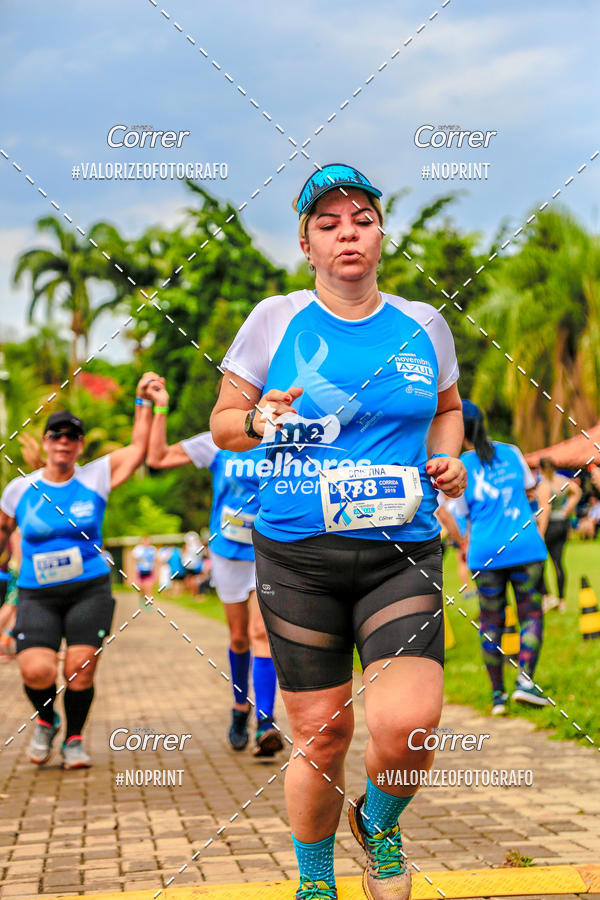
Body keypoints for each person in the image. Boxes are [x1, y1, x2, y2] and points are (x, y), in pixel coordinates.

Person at [210, 163, 466, 900]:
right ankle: (316, 881)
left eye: (361, 220)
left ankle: (379, 825)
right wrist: (258, 417)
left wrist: (447, 458)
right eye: (328, 224)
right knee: (323, 736)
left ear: (381, 235)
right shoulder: (275, 319)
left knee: (409, 725)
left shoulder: (424, 324)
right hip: (298, 556)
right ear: (307, 245)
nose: (346, 233)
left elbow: (448, 409)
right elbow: (223, 425)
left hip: (400, 551)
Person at [0, 372, 161, 769]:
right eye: (57, 435)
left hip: (89, 589)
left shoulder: (95, 477)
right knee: (36, 670)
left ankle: (74, 738)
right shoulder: (19, 489)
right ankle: (47, 720)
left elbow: (138, 448)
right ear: (46, 441)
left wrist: (144, 401)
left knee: (79, 670)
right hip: (37, 593)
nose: (64, 442)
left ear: (80, 445)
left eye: (72, 436)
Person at [146, 385, 283, 758]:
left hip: (269, 549)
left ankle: (266, 722)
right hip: (227, 552)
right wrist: (160, 408)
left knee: (261, 633)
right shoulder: (219, 439)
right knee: (239, 638)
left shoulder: (285, 436)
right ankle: (240, 708)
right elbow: (157, 457)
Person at [446, 401, 549, 717]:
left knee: (491, 623)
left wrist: (461, 543)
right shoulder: (512, 452)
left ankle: (498, 696)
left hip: (486, 554)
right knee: (531, 614)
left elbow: (459, 513)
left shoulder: (461, 466)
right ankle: (525, 682)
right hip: (526, 546)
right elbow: (531, 490)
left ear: (459, 429)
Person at [536, 458, 581, 612]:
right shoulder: (562, 480)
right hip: (562, 523)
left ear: (541, 469)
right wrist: (566, 509)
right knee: (558, 563)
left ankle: (548, 597)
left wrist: (541, 533)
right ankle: (561, 601)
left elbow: (545, 509)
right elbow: (577, 491)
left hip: (550, 526)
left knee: (539, 563)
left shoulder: (544, 485)